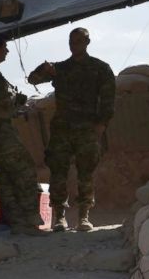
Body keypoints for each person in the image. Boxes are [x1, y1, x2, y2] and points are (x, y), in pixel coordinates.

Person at [28, 28, 116, 232]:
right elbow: (32, 79)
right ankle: (59, 217)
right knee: (58, 172)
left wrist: (102, 125)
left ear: (87, 42)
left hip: (87, 128)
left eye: (78, 41)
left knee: (86, 173)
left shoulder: (100, 68)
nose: (74, 45)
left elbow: (108, 99)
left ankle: (83, 216)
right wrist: (44, 69)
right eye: (71, 41)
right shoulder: (61, 68)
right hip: (62, 129)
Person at [0, 34, 44, 235]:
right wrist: (19, 101)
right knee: (25, 172)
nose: (7, 51)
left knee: (7, 178)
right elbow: (5, 100)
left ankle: (19, 224)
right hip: (1, 131)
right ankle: (30, 219)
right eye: (4, 47)